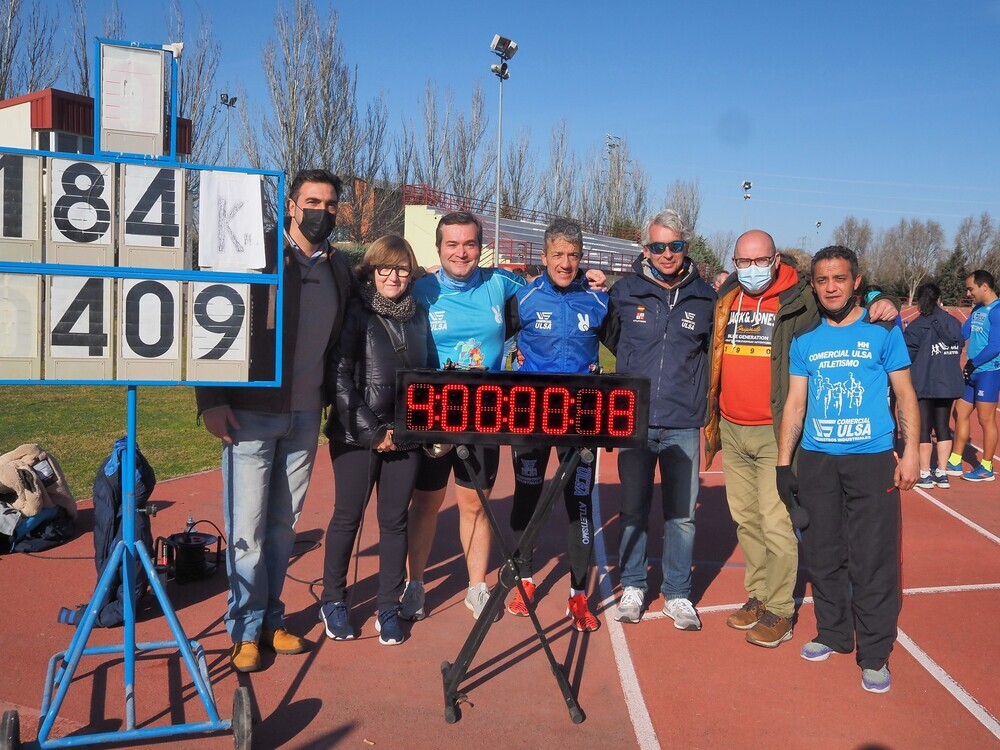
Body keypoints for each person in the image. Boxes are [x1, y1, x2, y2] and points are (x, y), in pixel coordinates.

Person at [401, 212, 607, 622]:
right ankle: (415, 584)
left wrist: (587, 278)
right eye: (452, 245)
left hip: (487, 410)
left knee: (476, 504)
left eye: (470, 244)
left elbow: (548, 284)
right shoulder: (420, 289)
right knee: (425, 504)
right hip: (434, 409)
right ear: (439, 248)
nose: (461, 252)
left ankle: (477, 586)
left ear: (481, 248)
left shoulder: (502, 284)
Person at [705, 232, 902, 648]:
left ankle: (780, 609)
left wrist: (885, 302)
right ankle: (759, 595)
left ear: (776, 259)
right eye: (742, 260)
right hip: (731, 426)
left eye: (759, 259)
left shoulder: (802, 295)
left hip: (775, 429)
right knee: (747, 521)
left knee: (777, 523)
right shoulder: (727, 296)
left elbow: (845, 298)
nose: (751, 268)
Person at [195, 169, 352, 673]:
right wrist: (210, 398)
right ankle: (243, 628)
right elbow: (209, 317)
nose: (321, 212)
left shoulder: (340, 270)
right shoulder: (251, 253)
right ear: (289, 204)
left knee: (284, 528)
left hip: (306, 415)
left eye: (330, 205)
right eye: (312, 201)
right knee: (248, 532)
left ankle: (269, 618)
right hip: (249, 414)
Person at [776, 245, 919, 695]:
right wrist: (784, 465)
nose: (831, 287)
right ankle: (834, 633)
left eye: (839, 278)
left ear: (856, 281)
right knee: (823, 554)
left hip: (872, 461)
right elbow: (795, 405)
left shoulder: (883, 332)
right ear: (813, 286)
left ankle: (874, 652)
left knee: (873, 559)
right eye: (822, 280)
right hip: (818, 463)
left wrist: (911, 451)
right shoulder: (805, 341)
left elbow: (906, 395)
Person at [604, 209, 715, 630]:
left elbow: (710, 351)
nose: (667, 254)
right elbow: (609, 337)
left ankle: (678, 594)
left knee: (681, 515)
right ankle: (633, 585)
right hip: (634, 419)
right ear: (645, 248)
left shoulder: (706, 297)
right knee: (632, 508)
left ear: (686, 246)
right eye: (657, 246)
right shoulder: (624, 291)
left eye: (675, 246)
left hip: (684, 421)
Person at [319, 236, 428, 646]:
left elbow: (426, 375)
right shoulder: (355, 313)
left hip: (406, 437)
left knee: (395, 522)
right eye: (385, 267)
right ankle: (333, 600)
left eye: (402, 268)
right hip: (355, 436)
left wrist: (413, 430)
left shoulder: (418, 316)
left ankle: (387, 607)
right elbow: (339, 378)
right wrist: (373, 431)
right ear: (371, 270)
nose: (393, 276)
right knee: (348, 517)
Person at [505, 219, 612, 632]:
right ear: (544, 257)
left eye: (573, 255)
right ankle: (525, 578)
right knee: (526, 496)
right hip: (532, 415)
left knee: (579, 504)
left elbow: (628, 348)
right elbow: (496, 343)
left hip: (580, 418)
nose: (566, 263)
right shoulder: (524, 299)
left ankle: (578, 594)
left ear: (581, 257)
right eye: (558, 255)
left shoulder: (599, 302)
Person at [902, 282, 964, 489]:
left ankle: (925, 473)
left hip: (924, 381)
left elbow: (907, 354)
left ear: (919, 300)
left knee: (923, 428)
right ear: (938, 298)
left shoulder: (918, 325)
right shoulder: (954, 323)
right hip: (947, 381)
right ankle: (943, 472)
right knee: (943, 426)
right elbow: (959, 344)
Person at [946, 270, 1000, 482]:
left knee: (985, 419)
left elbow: (996, 346)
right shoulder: (978, 308)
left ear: (984, 286)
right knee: (960, 413)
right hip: (972, 371)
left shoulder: (996, 311)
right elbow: (963, 333)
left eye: (971, 288)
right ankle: (955, 459)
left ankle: (986, 466)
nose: (968, 293)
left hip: (988, 372)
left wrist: (973, 363)